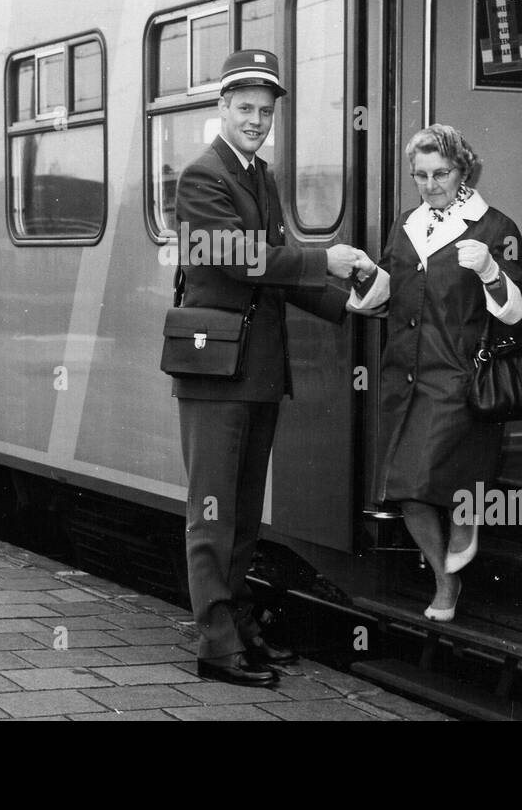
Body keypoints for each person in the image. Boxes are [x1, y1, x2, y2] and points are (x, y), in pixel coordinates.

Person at [173, 48, 362, 687]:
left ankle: (242, 628)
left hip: (252, 369)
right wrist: (325, 261)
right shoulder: (203, 176)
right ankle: (215, 648)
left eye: (265, 110)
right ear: (222, 108)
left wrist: (348, 301)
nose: (256, 119)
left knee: (244, 514)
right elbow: (238, 257)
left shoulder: (260, 174)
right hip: (216, 369)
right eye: (245, 108)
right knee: (212, 512)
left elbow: (275, 262)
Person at [347, 125, 522, 622]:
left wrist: (493, 272)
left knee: (433, 470)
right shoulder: (405, 224)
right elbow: (390, 294)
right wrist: (368, 276)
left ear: (463, 170)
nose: (431, 184)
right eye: (421, 175)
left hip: (458, 375)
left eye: (441, 173)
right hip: (404, 372)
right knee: (405, 487)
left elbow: (519, 313)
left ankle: (467, 521)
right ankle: (444, 579)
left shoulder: (498, 228)